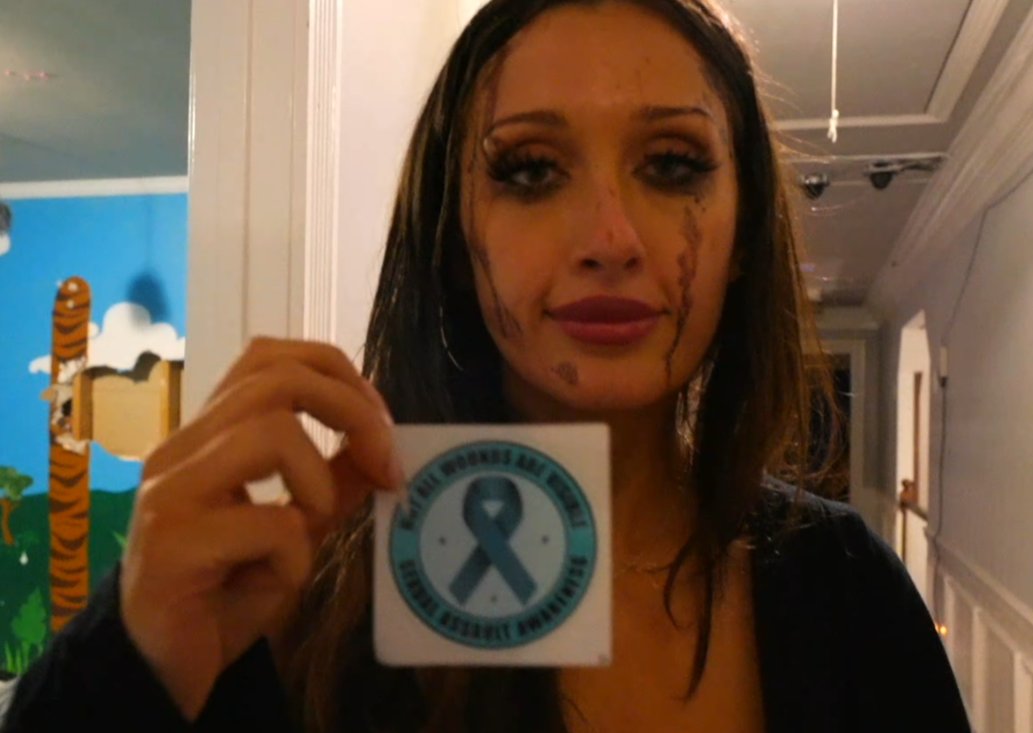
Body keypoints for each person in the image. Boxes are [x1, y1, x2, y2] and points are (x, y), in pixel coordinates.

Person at [2, 0, 971, 731]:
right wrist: (130, 663)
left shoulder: (848, 594)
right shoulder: (297, 606)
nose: (609, 238)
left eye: (672, 164)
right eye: (530, 170)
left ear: (744, 229)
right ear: (453, 235)